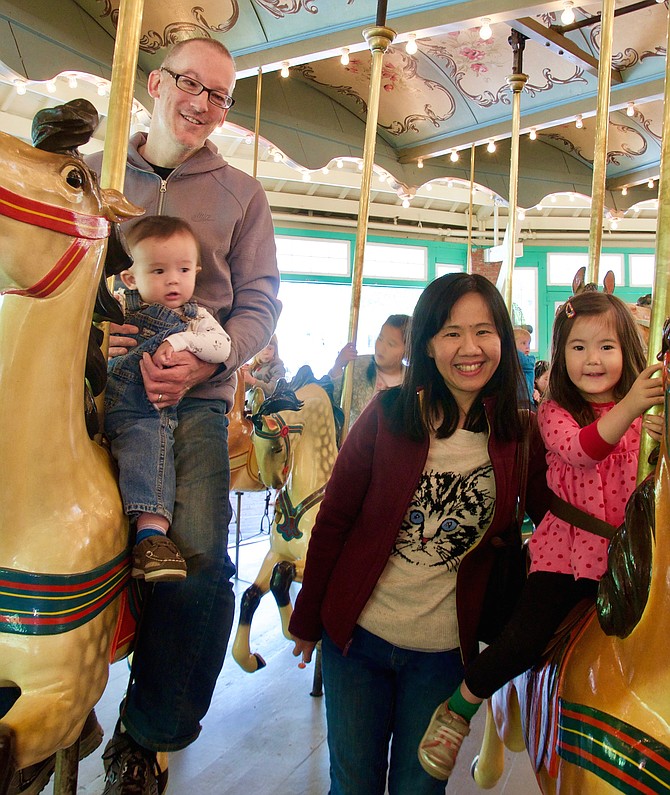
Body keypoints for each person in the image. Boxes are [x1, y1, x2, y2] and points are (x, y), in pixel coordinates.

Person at [87, 37, 281, 795]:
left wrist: (212, 357)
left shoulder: (242, 194)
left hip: (193, 403)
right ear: (155, 84)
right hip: (100, 389)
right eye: (191, 85)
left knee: (199, 572)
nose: (203, 104)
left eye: (221, 96)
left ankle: (144, 732)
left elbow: (261, 303)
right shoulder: (100, 176)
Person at [289, 273, 550, 795]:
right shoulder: (386, 417)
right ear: (428, 344)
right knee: (354, 784)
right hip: (358, 641)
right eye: (452, 333)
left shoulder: (521, 435)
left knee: (418, 789)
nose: (469, 348)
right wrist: (308, 616)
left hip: (441, 655)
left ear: (503, 338)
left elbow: (557, 515)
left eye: (484, 331)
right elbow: (334, 521)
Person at [418, 290, 664, 782]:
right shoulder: (554, 414)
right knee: (525, 640)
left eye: (606, 347)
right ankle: (459, 709)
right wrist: (633, 405)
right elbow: (581, 452)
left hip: (634, 557)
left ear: (627, 353)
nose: (592, 359)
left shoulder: (645, 417)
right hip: (570, 557)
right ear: (560, 353)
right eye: (578, 347)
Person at [106, 216, 232, 582]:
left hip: (145, 408)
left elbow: (221, 345)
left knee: (150, 446)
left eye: (184, 269)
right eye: (159, 271)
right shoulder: (116, 306)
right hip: (97, 401)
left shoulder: (195, 319)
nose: (174, 279)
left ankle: (151, 535)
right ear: (130, 278)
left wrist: (180, 341)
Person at [328, 313, 411, 426]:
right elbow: (334, 400)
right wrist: (338, 366)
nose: (382, 347)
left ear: (407, 351)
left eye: (391, 344)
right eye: (380, 338)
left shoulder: (411, 381)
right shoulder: (358, 366)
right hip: (356, 440)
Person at [513, 325, 535, 407]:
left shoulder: (529, 360)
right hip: (517, 399)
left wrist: (511, 349)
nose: (527, 346)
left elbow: (519, 358)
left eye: (529, 343)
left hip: (525, 400)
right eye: (523, 343)